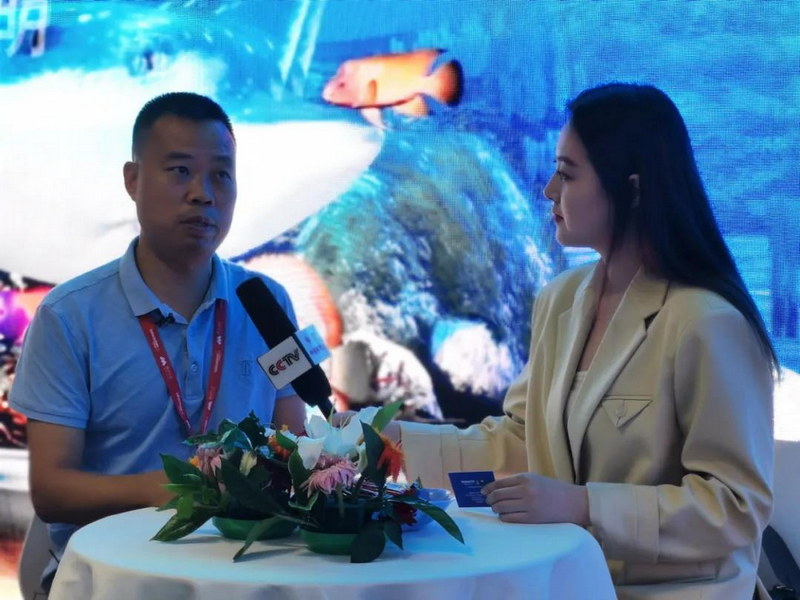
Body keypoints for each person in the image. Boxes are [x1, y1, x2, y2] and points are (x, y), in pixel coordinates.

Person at [383, 83, 777, 599]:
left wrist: (584, 505)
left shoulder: (707, 322)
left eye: (567, 174)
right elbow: (523, 441)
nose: (549, 190)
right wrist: (395, 442)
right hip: (572, 584)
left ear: (632, 190)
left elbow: (737, 507)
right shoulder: (560, 300)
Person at [9, 92, 306, 590]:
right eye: (180, 171)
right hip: (110, 578)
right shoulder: (69, 316)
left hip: (245, 571)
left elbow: (293, 445)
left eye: (221, 175)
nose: (203, 194)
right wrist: (169, 487)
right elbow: (52, 492)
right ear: (133, 180)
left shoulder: (267, 304)